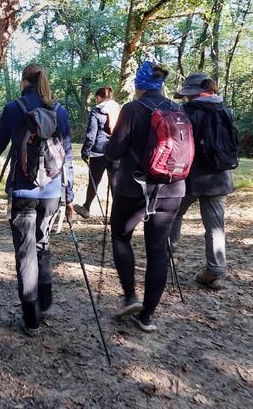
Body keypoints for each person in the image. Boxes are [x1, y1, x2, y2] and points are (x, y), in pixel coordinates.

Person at [0, 64, 74, 336]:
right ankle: (45, 301)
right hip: (53, 191)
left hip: (23, 191)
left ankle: (31, 318)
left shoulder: (14, 108)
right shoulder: (60, 110)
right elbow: (66, 154)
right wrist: (69, 194)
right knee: (42, 244)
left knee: (25, 252)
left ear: (23, 81)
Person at [105, 61, 186, 333]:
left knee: (120, 236)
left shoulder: (132, 109)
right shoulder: (177, 109)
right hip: (173, 188)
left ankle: (130, 296)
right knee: (157, 249)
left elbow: (114, 151)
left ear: (138, 86)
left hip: (135, 188)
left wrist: (109, 144)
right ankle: (147, 317)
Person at [169, 73, 237, 290]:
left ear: (193, 93)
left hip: (191, 176)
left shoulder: (188, 112)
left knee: (174, 214)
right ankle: (215, 271)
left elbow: (180, 145)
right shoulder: (225, 111)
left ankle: (168, 257)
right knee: (215, 226)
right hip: (220, 177)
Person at [75, 86, 121, 219]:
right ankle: (116, 216)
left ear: (99, 97)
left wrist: (85, 151)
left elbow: (91, 134)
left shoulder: (97, 111)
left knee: (94, 181)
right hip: (115, 150)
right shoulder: (118, 110)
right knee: (115, 183)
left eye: (97, 98)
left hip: (99, 151)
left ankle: (86, 208)